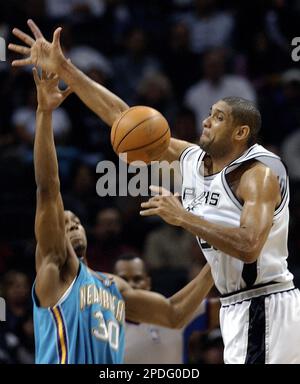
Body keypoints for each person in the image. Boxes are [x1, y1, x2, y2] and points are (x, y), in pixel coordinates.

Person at [9, 20, 300, 364]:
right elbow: (123, 117)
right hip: (238, 305)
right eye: (209, 113)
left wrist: (183, 217)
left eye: (218, 117)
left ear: (241, 133)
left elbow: (249, 247)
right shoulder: (193, 160)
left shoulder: (257, 173)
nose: (206, 121)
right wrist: (64, 69)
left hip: (265, 302)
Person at [24, 63, 213, 364]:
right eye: (63, 222)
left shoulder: (114, 287)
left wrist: (217, 261)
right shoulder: (54, 269)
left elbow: (173, 314)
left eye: (75, 221)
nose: (71, 224)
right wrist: (44, 113)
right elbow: (48, 188)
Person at [114, 254, 219, 364]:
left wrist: (220, 258)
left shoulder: (178, 308)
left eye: (137, 279)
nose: (130, 285)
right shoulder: (104, 324)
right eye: (123, 280)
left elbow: (227, 307)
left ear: (148, 282)